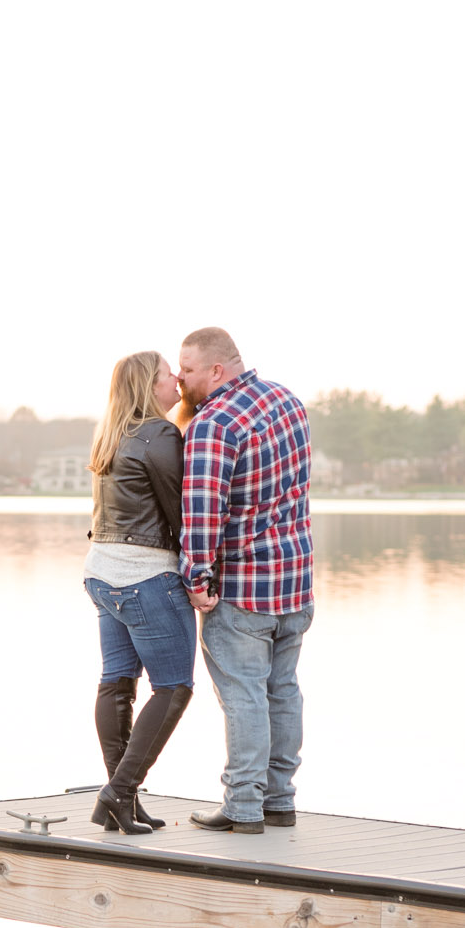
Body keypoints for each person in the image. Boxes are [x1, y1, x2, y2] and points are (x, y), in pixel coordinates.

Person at [177, 327, 313, 836]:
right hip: (295, 581)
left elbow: (203, 512)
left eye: (187, 369)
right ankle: (280, 800)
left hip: (244, 589)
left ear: (216, 370)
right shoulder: (288, 401)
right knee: (283, 691)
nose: (181, 378)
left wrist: (197, 576)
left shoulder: (214, 422)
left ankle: (243, 807)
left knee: (244, 696)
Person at [84, 351, 196, 836]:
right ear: (152, 386)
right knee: (173, 687)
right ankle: (119, 792)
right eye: (171, 374)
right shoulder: (160, 434)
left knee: (117, 683)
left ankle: (121, 800)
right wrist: (202, 574)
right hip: (145, 575)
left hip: (101, 574)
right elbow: (179, 511)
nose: (178, 381)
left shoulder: (112, 433)